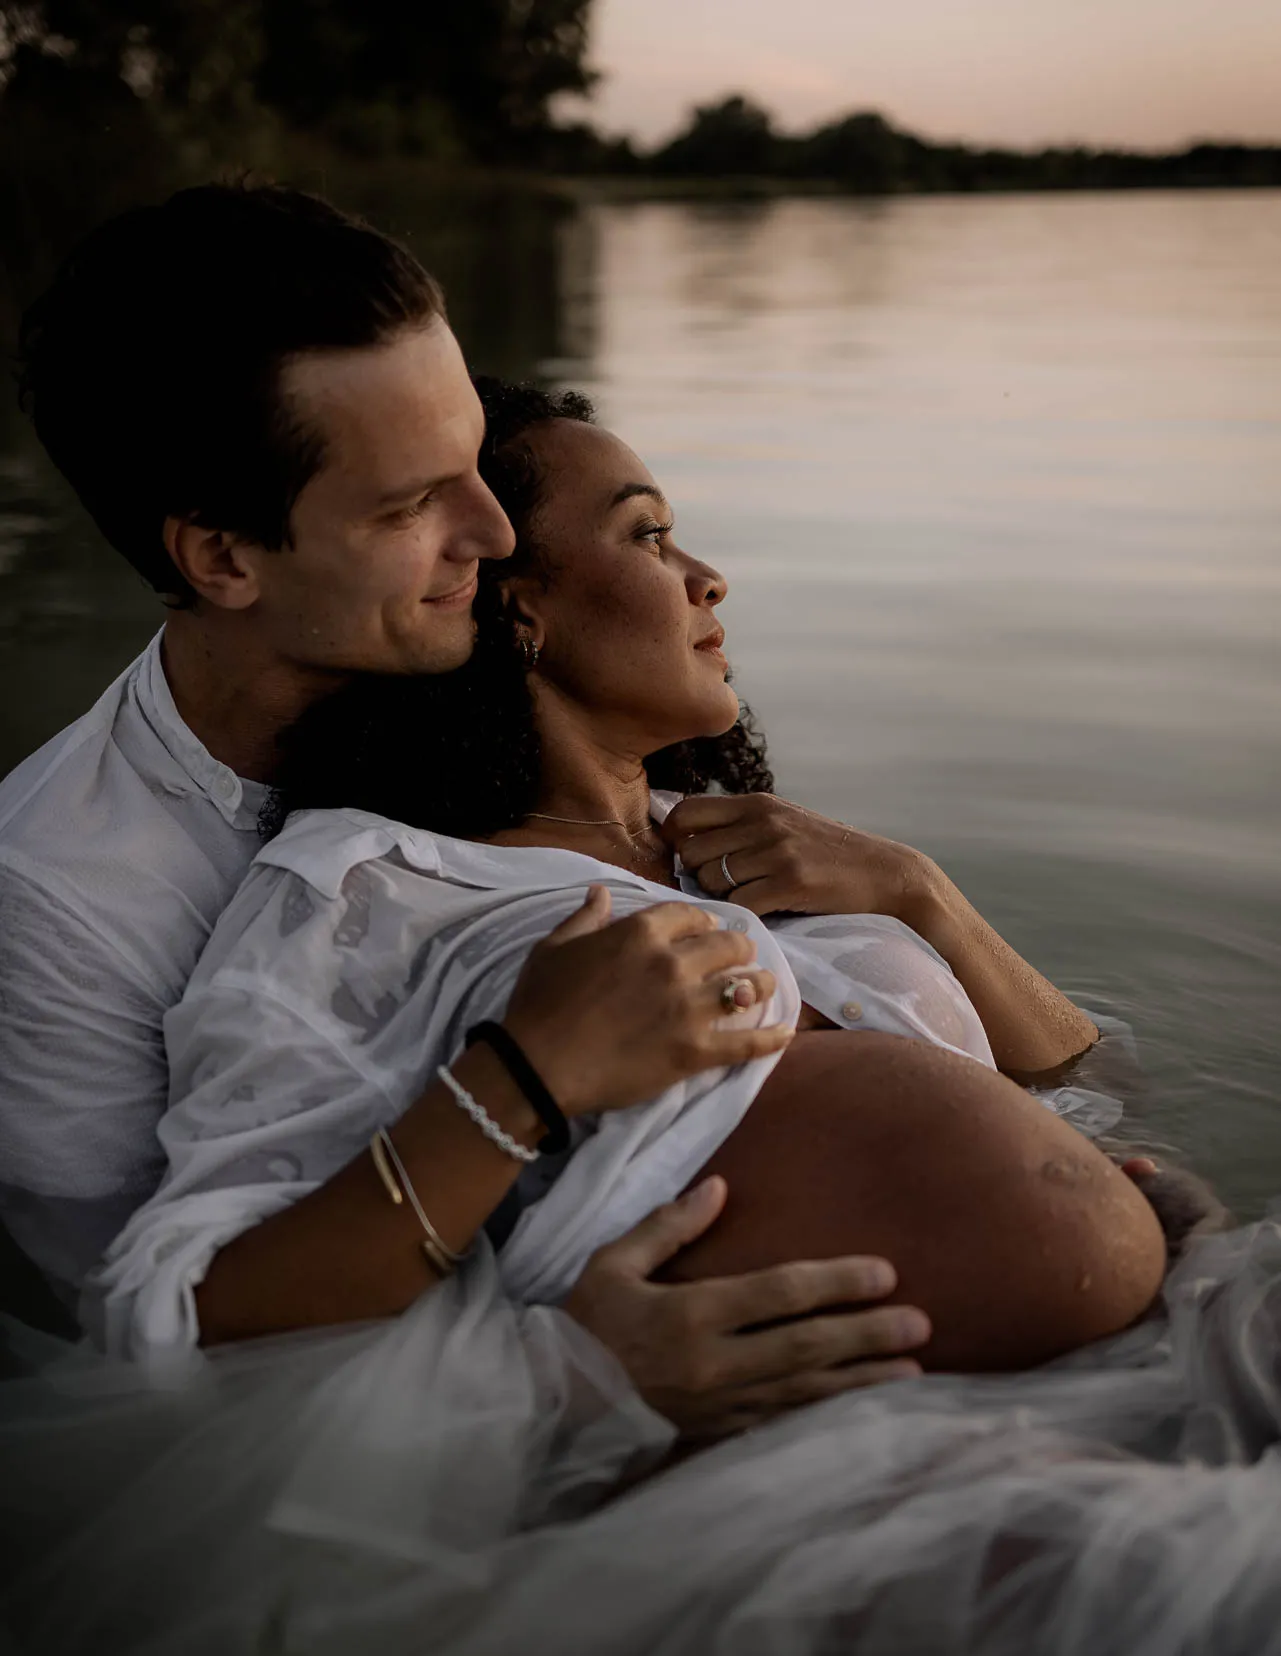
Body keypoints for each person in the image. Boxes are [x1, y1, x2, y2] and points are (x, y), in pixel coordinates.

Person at [0, 182, 931, 1428]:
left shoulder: (523, 698)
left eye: (473, 464)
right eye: (410, 504)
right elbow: (160, 1377)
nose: (492, 532)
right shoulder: (53, 899)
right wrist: (558, 1378)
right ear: (221, 559)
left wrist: (919, 899)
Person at [84, 378, 1164, 1374]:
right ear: (516, 609)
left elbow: (1093, 1088)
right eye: (649, 536)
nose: (707, 577)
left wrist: (919, 892)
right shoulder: (368, 891)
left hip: (1126, 1351)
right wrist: (525, 1084)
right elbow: (178, 1318)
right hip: (810, 1462)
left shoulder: (746, 846)